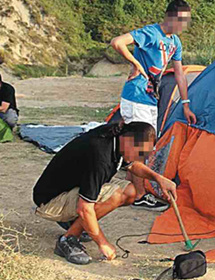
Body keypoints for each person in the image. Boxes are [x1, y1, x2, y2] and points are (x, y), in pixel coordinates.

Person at [32, 122, 178, 265]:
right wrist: (103, 244)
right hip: (50, 202)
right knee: (115, 195)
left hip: (66, 189)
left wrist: (159, 179)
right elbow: (85, 209)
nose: (141, 158)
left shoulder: (117, 136)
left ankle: (74, 224)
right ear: (128, 142)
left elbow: (133, 166)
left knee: (130, 192)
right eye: (140, 153)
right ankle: (68, 239)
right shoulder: (100, 157)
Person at [110, 0, 196, 210]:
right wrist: (136, 63)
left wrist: (185, 103)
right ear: (171, 17)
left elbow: (179, 74)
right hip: (136, 96)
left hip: (150, 99)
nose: (184, 26)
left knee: (141, 146)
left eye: (187, 22)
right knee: (140, 148)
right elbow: (117, 42)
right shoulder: (151, 33)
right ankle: (139, 195)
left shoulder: (175, 42)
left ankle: (132, 191)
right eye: (182, 21)